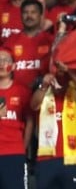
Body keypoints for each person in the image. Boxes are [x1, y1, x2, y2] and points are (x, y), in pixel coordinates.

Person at [0, 47, 30, 187]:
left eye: (6, 60)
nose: (1, 64)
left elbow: (30, 120)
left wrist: (23, 147)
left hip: (13, 152)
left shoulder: (22, 91)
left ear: (13, 66)